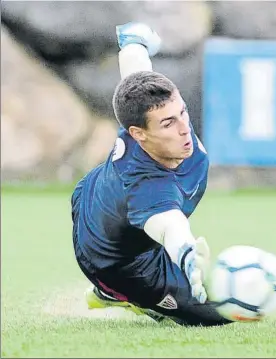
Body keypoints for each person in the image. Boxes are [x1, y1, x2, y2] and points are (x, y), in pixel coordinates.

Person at [71, 22, 232, 327]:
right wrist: (186, 256)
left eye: (182, 111)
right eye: (168, 123)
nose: (184, 127)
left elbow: (135, 66)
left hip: (95, 200)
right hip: (116, 264)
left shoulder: (142, 107)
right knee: (220, 314)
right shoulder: (149, 187)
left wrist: (135, 39)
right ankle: (115, 292)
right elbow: (169, 226)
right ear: (138, 134)